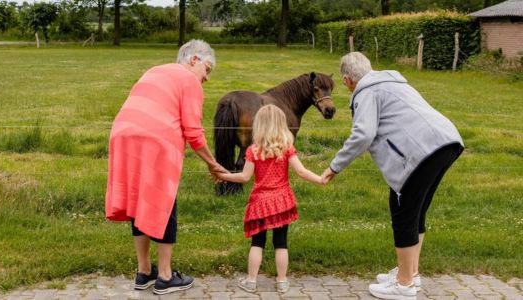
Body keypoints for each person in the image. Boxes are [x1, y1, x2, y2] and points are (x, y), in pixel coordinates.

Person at [321, 52, 464, 299]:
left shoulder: (366, 92)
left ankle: (404, 285)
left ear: (347, 80)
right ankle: (411, 273)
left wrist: (334, 166)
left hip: (420, 153)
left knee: (404, 214)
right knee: (416, 211)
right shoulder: (391, 81)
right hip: (446, 142)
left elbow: (363, 134)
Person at [105, 39, 228, 295]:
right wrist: (213, 164)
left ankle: (143, 272)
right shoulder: (189, 79)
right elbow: (193, 131)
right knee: (163, 203)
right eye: (207, 70)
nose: (206, 78)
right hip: (155, 140)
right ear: (194, 60)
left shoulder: (155, 70)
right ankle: (165, 276)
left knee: (139, 203)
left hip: (122, 135)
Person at [215, 104, 324, 293]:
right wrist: (320, 179)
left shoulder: (253, 150)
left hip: (260, 203)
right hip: (282, 201)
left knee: (257, 243)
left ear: (259, 125)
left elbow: (244, 177)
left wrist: (223, 175)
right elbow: (301, 171)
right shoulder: (286, 148)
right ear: (281, 125)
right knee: (281, 243)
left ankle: (251, 281)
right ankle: (282, 282)